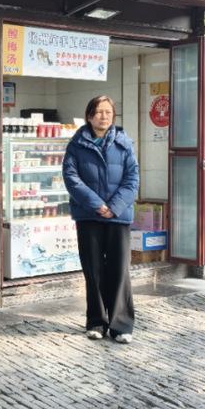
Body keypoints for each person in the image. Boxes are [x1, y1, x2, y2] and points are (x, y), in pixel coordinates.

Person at [62, 96, 139, 344]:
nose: (103, 116)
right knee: (93, 270)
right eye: (98, 112)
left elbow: (132, 179)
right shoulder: (76, 145)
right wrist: (97, 205)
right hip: (89, 216)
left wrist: (113, 208)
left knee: (119, 269)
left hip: (118, 217)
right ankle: (96, 321)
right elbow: (71, 178)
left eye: (108, 112)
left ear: (113, 116)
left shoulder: (125, 144)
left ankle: (121, 325)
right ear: (89, 116)